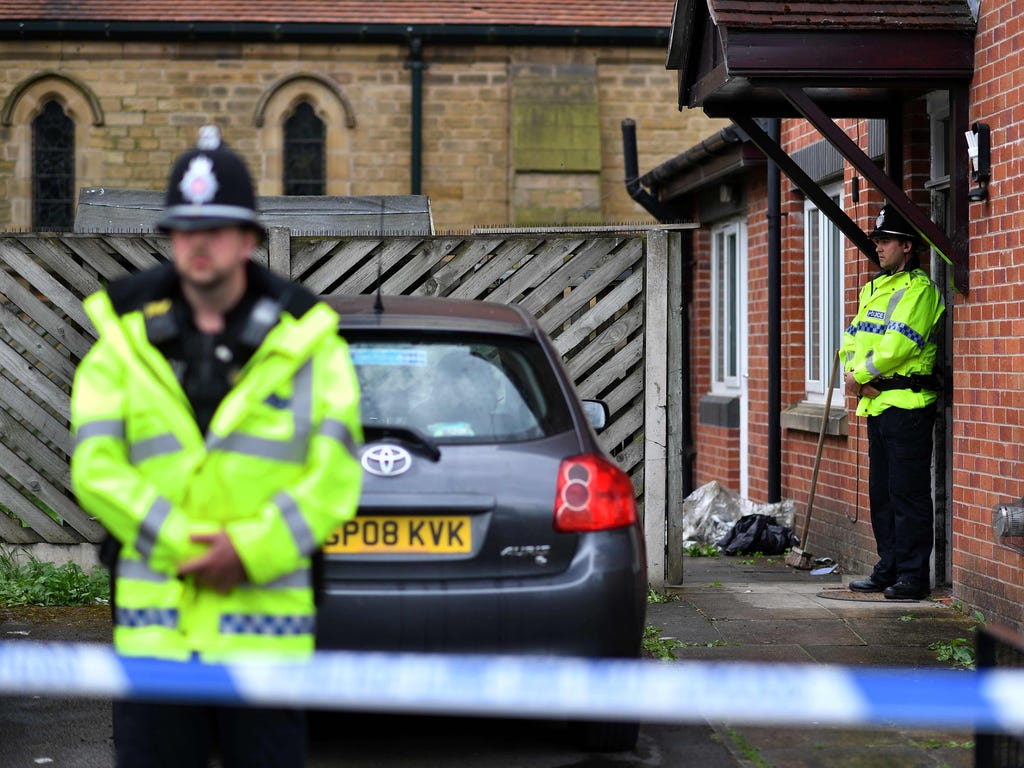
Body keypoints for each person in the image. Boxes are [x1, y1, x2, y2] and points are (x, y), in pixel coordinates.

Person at [69, 125, 363, 767]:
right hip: (158, 647)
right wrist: (182, 544)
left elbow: (336, 474)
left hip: (266, 645)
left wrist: (250, 550)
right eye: (184, 228)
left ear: (249, 239)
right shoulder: (120, 341)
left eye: (217, 227)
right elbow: (96, 467)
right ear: (171, 238)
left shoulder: (310, 343)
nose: (199, 242)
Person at [841, 204, 944, 601]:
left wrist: (861, 376)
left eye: (884, 241)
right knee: (881, 494)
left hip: (907, 405)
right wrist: (855, 379)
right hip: (875, 404)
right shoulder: (872, 288)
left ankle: (914, 577)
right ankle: (889, 566)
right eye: (877, 241)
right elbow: (852, 340)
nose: (878, 248)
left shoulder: (918, 290)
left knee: (908, 493)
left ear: (907, 246)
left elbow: (898, 345)